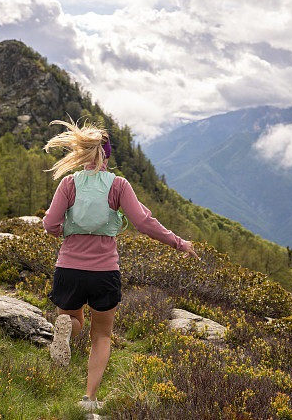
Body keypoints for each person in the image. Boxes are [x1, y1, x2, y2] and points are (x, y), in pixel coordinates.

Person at [41, 118, 199, 413]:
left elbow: (49, 223)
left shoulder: (68, 183)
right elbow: (143, 222)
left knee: (74, 321)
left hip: (69, 269)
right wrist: (180, 243)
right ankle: (89, 398)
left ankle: (66, 330)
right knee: (101, 335)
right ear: (107, 155)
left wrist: (63, 231)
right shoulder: (118, 185)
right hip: (104, 273)